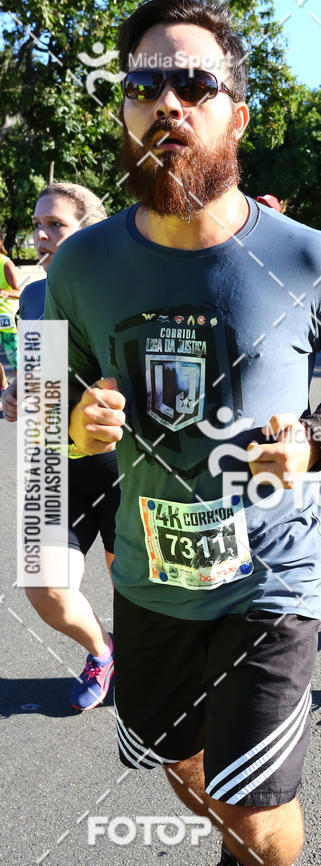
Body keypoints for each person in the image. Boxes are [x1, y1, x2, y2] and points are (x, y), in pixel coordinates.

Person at [44, 3, 321, 866]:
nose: (168, 100)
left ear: (235, 113)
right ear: (123, 111)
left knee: (260, 810)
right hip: (151, 574)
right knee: (174, 758)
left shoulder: (310, 256)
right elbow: (52, 398)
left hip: (271, 575)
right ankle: (238, 849)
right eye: (143, 84)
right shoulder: (76, 269)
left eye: (194, 82)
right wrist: (73, 426)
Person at [3, 183, 120, 711]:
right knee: (45, 588)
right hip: (48, 458)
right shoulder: (30, 294)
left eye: (57, 224)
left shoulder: (119, 290)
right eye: (37, 224)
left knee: (137, 591)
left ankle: (147, 662)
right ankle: (102, 649)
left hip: (120, 466)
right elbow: (39, 377)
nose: (42, 235)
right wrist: (14, 393)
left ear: (89, 232)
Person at [0, 233, 21, 380]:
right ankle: (3, 387)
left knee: (15, 360)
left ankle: (24, 391)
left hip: (6, 320)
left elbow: (18, 292)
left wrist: (1, 293)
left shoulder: (6, 264)